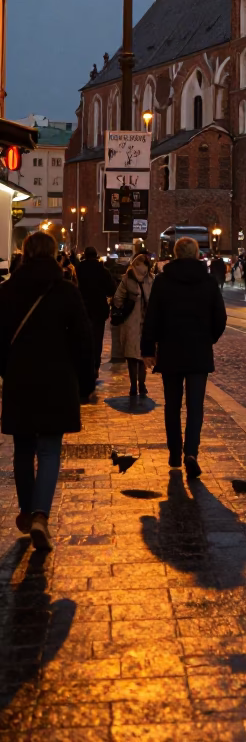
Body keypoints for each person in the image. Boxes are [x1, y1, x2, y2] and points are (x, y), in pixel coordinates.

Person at [0, 231, 94, 550]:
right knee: (50, 450)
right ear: (54, 254)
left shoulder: (6, 291)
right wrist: (86, 382)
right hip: (57, 380)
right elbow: (84, 341)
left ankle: (27, 511)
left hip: (19, 380)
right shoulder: (66, 291)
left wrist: (6, 371)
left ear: (24, 254)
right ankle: (40, 515)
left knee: (23, 450)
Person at [141, 236, 227, 478]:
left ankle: (174, 451)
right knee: (195, 406)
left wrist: (148, 349)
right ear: (197, 254)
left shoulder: (163, 281)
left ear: (175, 254)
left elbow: (152, 318)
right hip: (198, 351)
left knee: (172, 405)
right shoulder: (208, 282)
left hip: (171, 351)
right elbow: (220, 318)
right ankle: (191, 452)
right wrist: (208, 338)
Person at [113, 252, 154, 397]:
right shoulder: (151, 279)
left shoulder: (127, 279)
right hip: (147, 323)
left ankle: (133, 386)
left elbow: (117, 299)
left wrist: (127, 302)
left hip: (130, 322)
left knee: (131, 357)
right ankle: (142, 385)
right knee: (143, 355)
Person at [76, 246, 116, 379]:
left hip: (83, 308)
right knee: (97, 339)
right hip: (99, 309)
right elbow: (111, 290)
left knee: (83, 337)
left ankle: (84, 366)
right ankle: (95, 366)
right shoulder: (103, 271)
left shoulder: (79, 269)